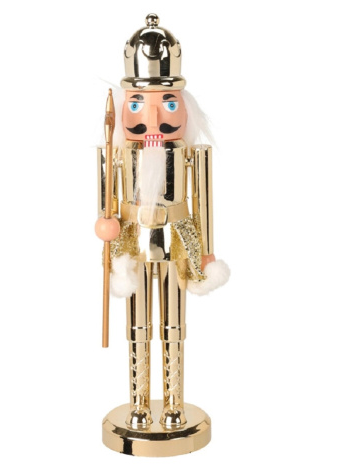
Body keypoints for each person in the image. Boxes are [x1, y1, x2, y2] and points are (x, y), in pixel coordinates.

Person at [96, 13, 229, 456]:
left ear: (183, 105)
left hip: (177, 241)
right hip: (133, 244)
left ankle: (173, 404)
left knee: (173, 324)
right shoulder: (117, 154)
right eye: (138, 103)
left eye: (167, 103)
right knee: (138, 324)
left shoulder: (192, 154)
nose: (152, 117)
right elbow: (106, 203)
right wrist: (106, 227)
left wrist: (206, 252)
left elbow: (203, 203)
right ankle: (138, 404)